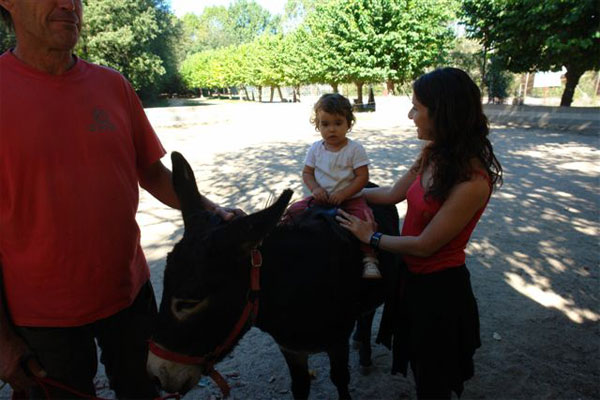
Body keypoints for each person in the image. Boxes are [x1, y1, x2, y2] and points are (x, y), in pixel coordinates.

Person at [0, 0, 241, 397]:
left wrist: (214, 214)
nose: (69, 5)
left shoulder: (113, 85)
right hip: (42, 321)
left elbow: (151, 172)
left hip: (129, 296)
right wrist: (3, 342)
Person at [337, 67, 503, 399]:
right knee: (418, 364)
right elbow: (391, 194)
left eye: (417, 108)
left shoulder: (473, 181)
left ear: (442, 113)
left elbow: (425, 246)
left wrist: (370, 237)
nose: (410, 115)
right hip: (409, 281)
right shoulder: (431, 154)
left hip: (439, 292)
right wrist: (342, 192)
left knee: (434, 379)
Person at [285, 93, 382, 279]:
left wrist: (345, 193)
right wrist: (315, 189)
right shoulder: (315, 148)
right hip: (321, 198)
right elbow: (307, 173)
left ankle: (369, 258)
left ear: (349, 124)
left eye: (338, 123)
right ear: (317, 125)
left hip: (351, 199)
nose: (332, 129)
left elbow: (362, 177)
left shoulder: (354, 149)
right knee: (293, 212)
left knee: (365, 218)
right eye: (325, 124)